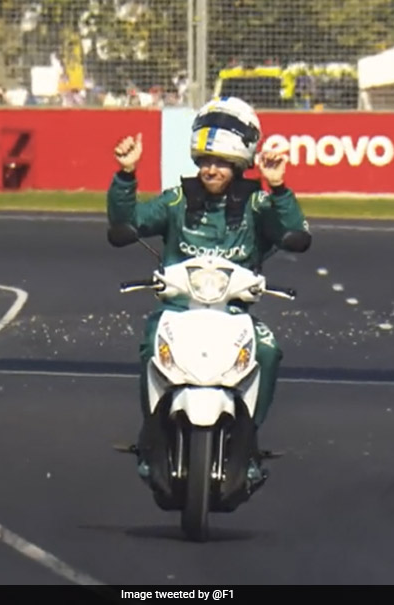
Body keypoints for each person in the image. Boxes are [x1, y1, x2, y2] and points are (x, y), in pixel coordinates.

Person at [107, 96, 310, 479]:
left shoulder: (258, 204)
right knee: (151, 345)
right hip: (177, 310)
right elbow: (124, 227)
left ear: (239, 164)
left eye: (220, 163)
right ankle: (150, 442)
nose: (210, 170)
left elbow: (294, 233)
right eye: (205, 162)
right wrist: (126, 175)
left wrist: (279, 186)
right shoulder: (176, 200)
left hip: (234, 314)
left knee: (268, 351)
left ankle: (247, 443)